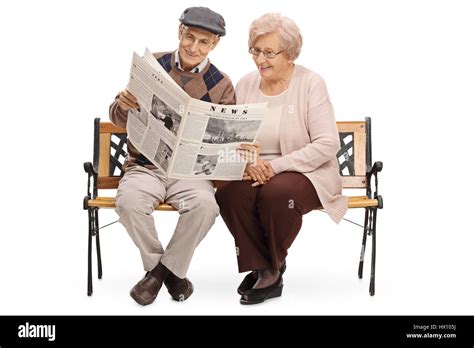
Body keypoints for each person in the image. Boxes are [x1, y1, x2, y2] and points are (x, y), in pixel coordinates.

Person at [215, 13, 348, 305]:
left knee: (279, 193)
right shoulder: (247, 84)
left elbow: (327, 144)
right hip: (256, 170)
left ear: (290, 54)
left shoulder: (311, 83)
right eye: (255, 50)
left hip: (306, 172)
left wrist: (274, 167)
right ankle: (266, 266)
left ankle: (269, 271)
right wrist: (250, 164)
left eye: (268, 52)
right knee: (229, 193)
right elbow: (237, 137)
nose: (260, 59)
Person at [109, 7, 235, 306]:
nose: (193, 47)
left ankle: (157, 276)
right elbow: (117, 119)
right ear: (180, 31)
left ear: (214, 44)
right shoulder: (153, 65)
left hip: (190, 173)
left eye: (203, 42)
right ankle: (171, 275)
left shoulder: (222, 84)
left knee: (205, 207)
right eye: (189, 37)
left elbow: (226, 142)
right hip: (145, 167)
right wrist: (123, 104)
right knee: (128, 203)